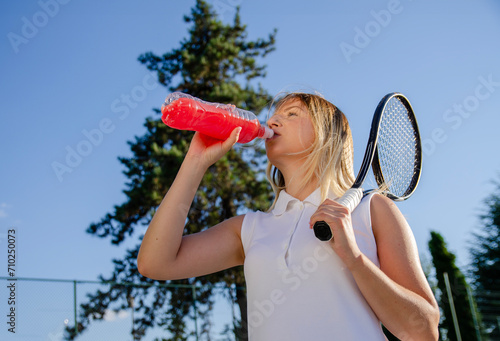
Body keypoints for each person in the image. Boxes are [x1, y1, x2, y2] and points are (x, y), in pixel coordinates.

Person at [137, 92, 440, 340]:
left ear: (327, 136)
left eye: (292, 113)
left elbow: (423, 331)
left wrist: (353, 258)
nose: (273, 120)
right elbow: (155, 263)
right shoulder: (251, 228)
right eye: (274, 114)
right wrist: (195, 162)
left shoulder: (370, 210)